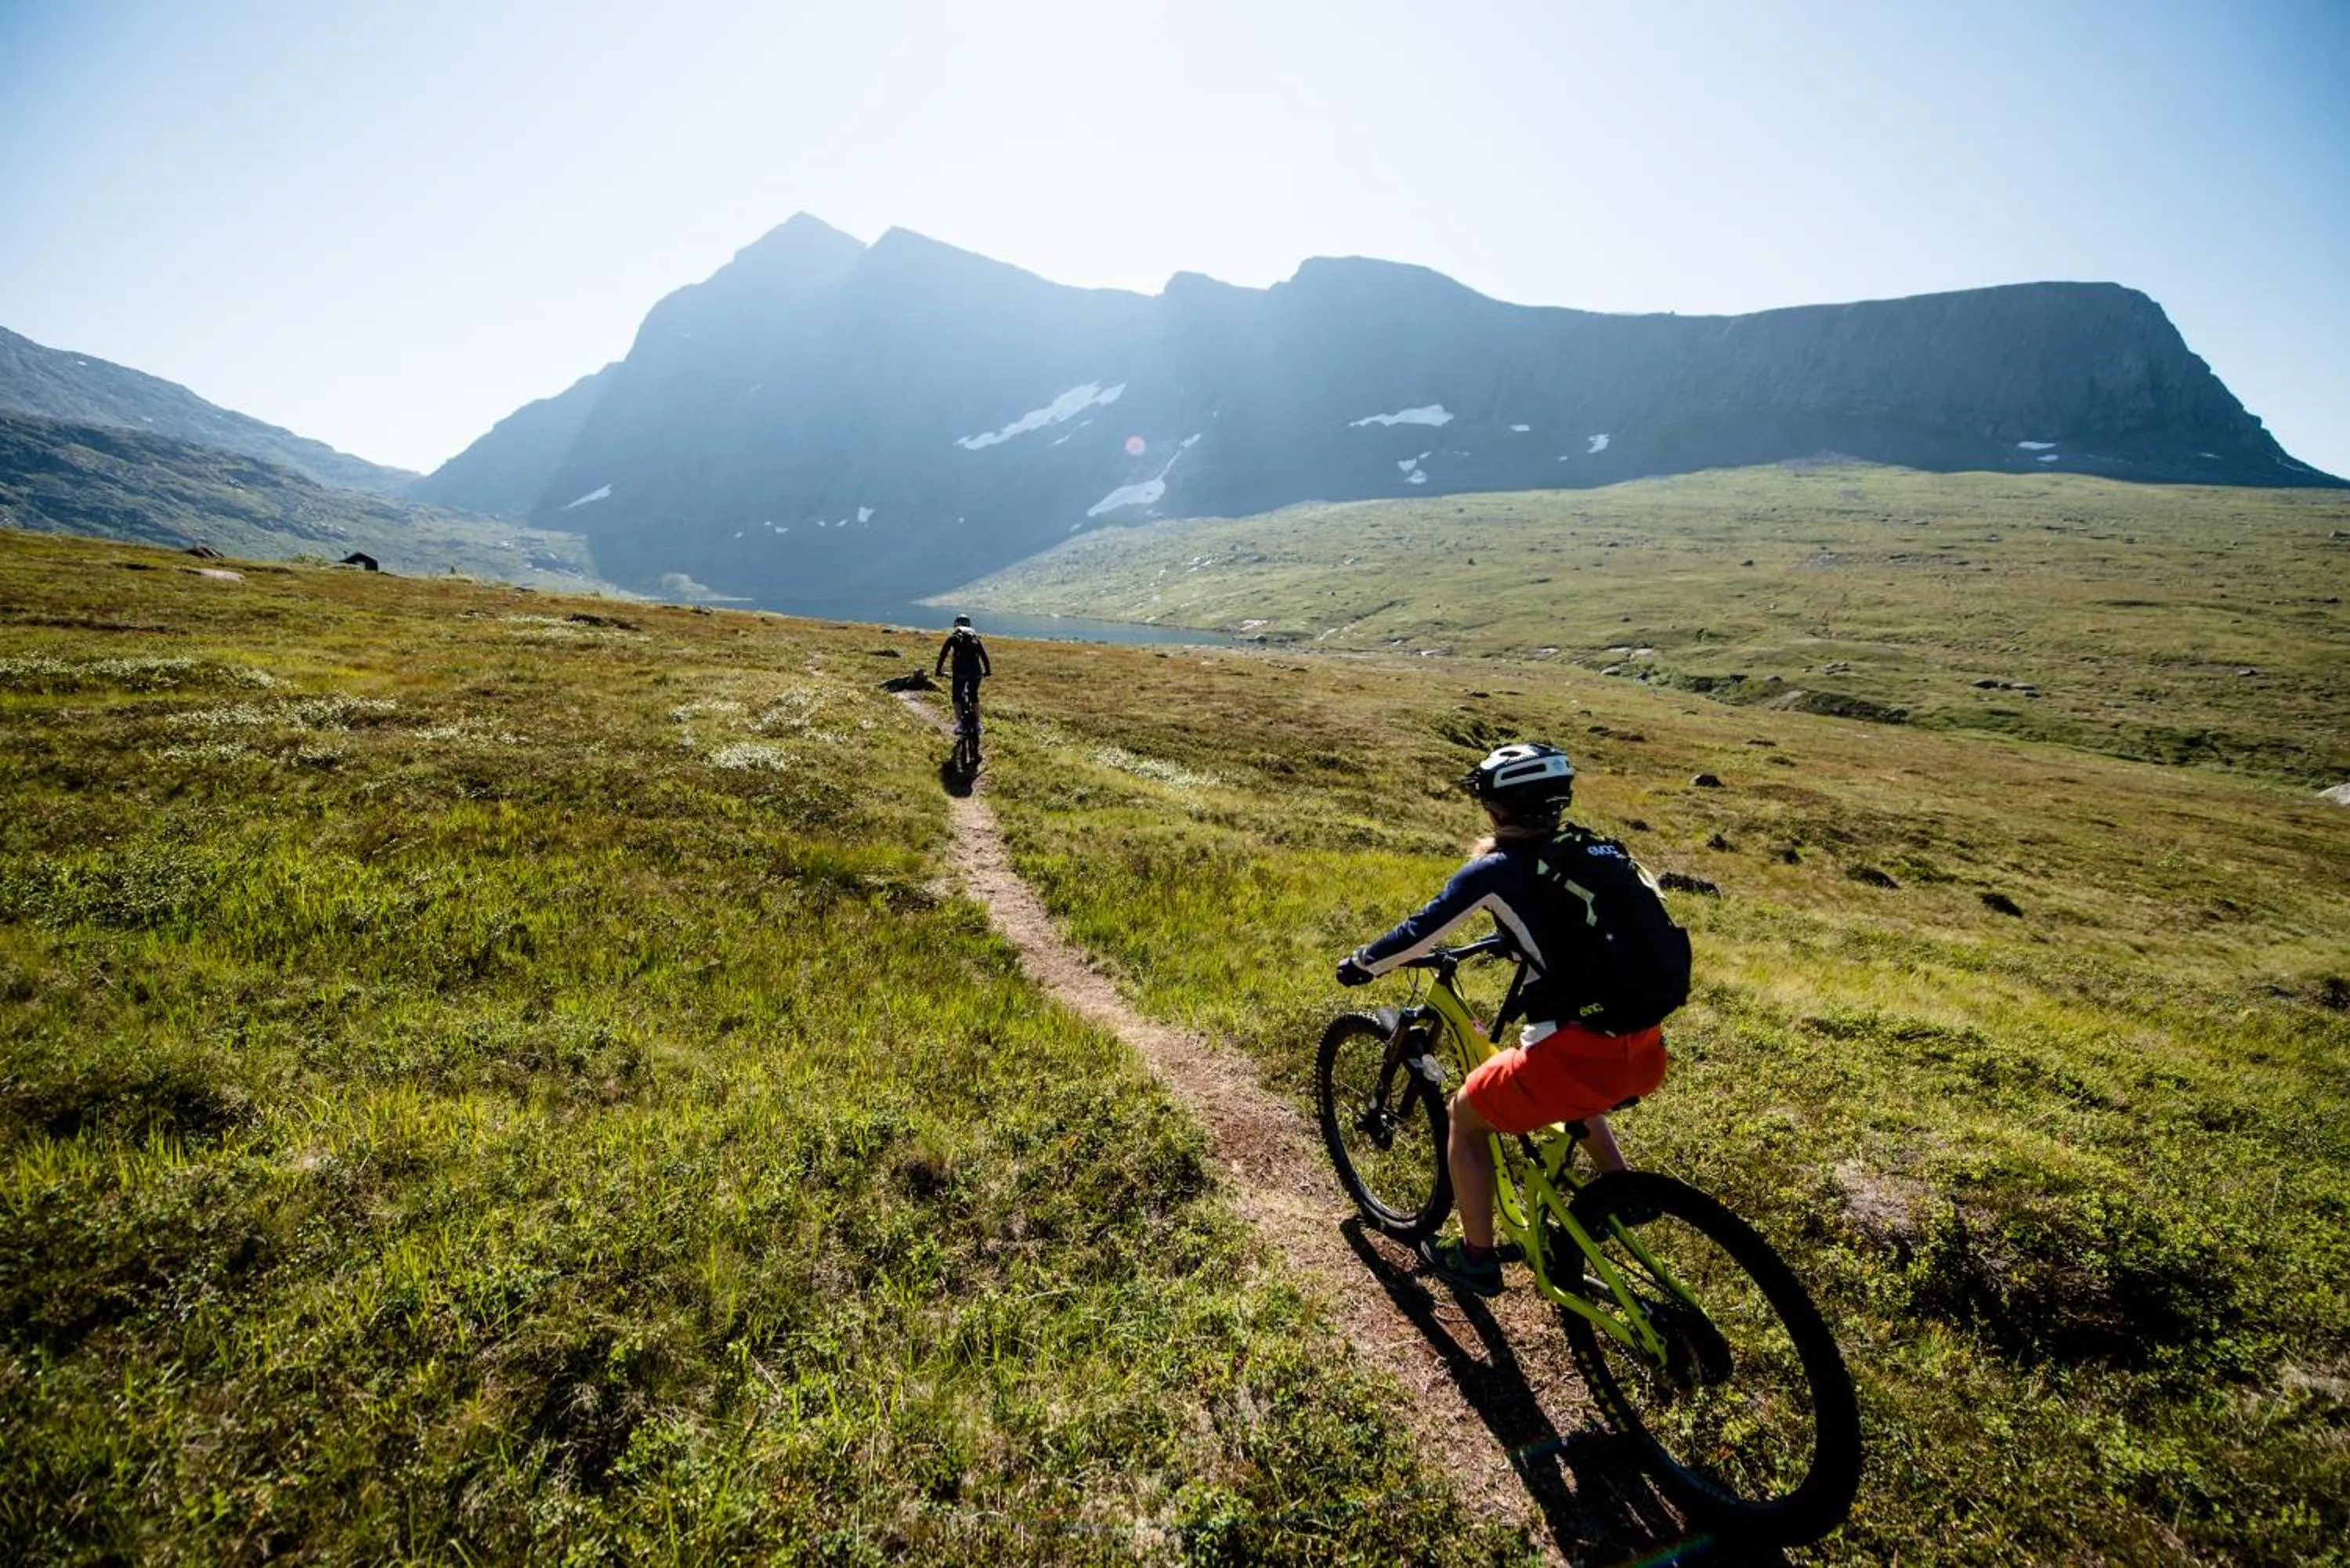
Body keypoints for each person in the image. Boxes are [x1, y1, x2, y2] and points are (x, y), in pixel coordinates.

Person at [1336, 742, 1675, 1297]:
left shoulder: (1497, 869)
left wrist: (1362, 964)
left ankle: (1476, 1259)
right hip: (1643, 1049)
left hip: (1577, 1057)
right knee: (1572, 1089)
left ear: (1495, 807)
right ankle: (1623, 1192)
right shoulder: (1590, 851)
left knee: (1464, 1117)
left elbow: (1419, 931)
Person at [934, 614, 991, 732]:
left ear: (956, 625)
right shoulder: (976, 639)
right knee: (974, 695)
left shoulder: (953, 638)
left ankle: (959, 723)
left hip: (960, 672)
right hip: (976, 672)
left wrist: (938, 671)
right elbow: (984, 657)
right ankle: (978, 724)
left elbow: (943, 655)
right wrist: (988, 671)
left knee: (956, 696)